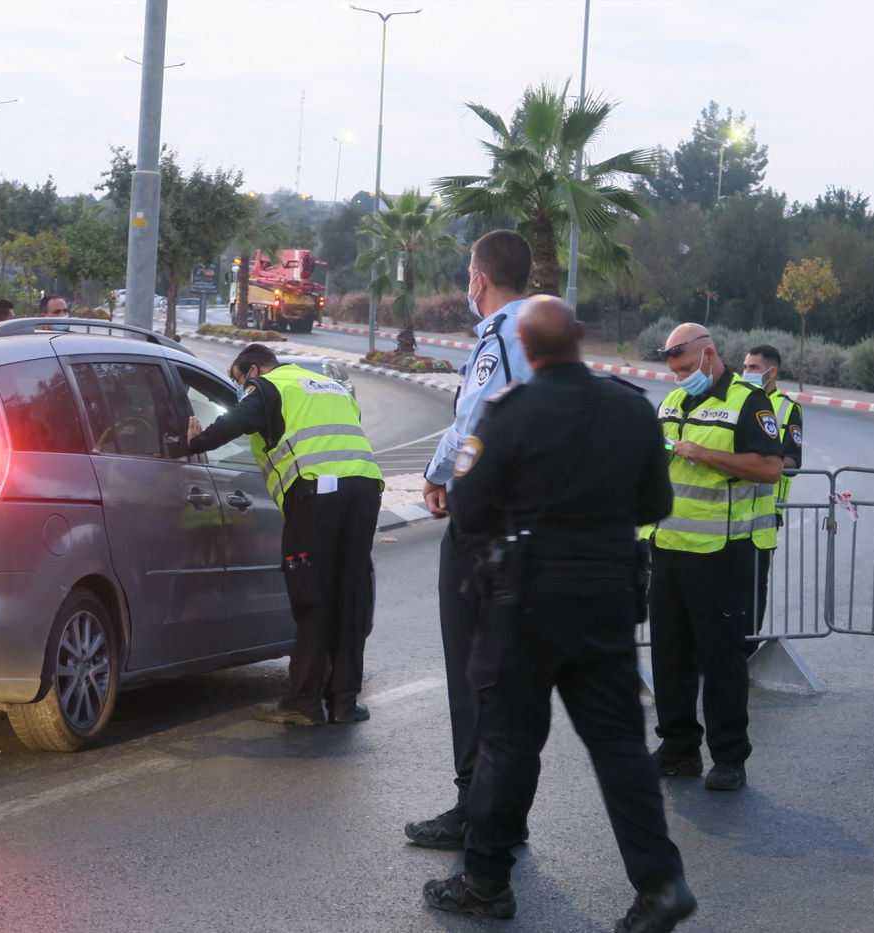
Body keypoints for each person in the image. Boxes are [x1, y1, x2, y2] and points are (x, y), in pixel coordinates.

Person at [421, 296, 696, 931]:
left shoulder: (508, 411)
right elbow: (655, 502)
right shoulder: (630, 406)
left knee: (508, 742)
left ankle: (486, 880)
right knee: (621, 745)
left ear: (527, 345)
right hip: (606, 598)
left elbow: (469, 511)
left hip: (524, 602)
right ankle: (660, 884)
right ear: (579, 336)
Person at [408, 229, 532, 849]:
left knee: (472, 672)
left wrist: (440, 477)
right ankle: (504, 812)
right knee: (509, 682)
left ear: (479, 279)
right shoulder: (542, 333)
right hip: (530, 527)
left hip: (485, 526)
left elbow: (474, 422)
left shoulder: (498, 336)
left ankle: (475, 812)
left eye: (467, 275)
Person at [185, 344, 383, 725]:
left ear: (253, 371)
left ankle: (303, 701)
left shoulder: (269, 387)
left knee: (312, 597)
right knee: (350, 595)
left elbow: (236, 422)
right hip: (365, 490)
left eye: (237, 380)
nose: (239, 387)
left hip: (317, 496)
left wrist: (196, 442)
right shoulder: (328, 386)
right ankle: (344, 702)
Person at [645, 324, 782, 792]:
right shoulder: (672, 402)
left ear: (709, 355)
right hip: (667, 549)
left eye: (686, 368)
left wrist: (702, 453)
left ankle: (729, 758)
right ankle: (678, 748)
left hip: (721, 553)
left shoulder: (748, 401)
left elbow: (769, 468)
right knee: (670, 656)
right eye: (674, 370)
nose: (681, 378)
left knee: (722, 659)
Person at [741, 344, 804, 647]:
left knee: (752, 589)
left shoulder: (786, 408)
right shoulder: (738, 400)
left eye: (753, 367)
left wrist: (763, 462)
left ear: (772, 371)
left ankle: (746, 651)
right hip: (727, 512)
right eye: (745, 366)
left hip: (764, 515)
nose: (746, 372)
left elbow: (793, 461)